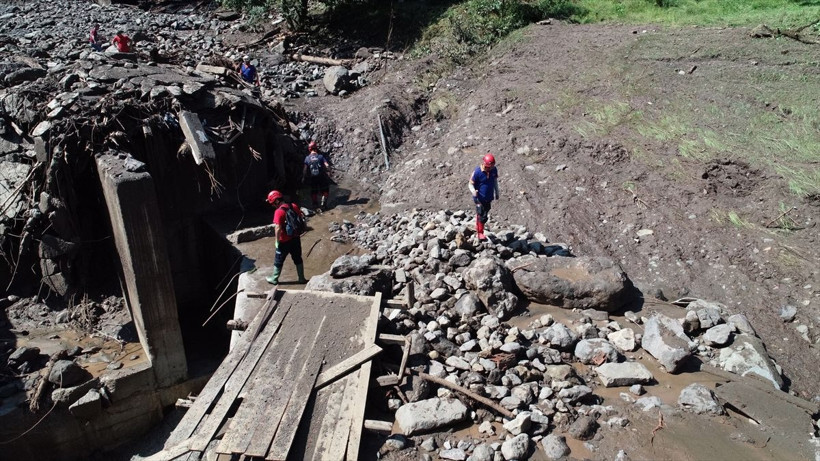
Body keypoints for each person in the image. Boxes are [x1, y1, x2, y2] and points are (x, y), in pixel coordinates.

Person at [265, 190, 307, 285]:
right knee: (297, 257)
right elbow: (301, 218)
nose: (272, 206)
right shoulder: (294, 206)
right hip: (296, 238)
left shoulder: (279, 212)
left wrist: (277, 241)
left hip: (284, 240)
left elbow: (278, 228)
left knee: (279, 260)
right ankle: (301, 278)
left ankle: (274, 279)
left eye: (272, 203)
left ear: (276, 201)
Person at [468, 153, 499, 241]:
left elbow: (495, 182)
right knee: (482, 215)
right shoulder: (477, 172)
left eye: (492, 166)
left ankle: (478, 225)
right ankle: (480, 233)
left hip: (488, 196)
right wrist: (473, 191)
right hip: (479, 197)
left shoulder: (493, 170)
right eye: (489, 167)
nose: (490, 168)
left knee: (485, 211)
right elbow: (470, 184)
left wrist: (497, 192)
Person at [302, 141, 331, 210]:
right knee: (325, 190)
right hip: (321, 177)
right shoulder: (320, 157)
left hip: (313, 178)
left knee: (313, 191)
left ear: (309, 149)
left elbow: (305, 170)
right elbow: (327, 165)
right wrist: (329, 171)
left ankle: (315, 205)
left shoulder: (307, 158)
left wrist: (303, 177)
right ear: (316, 148)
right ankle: (323, 204)